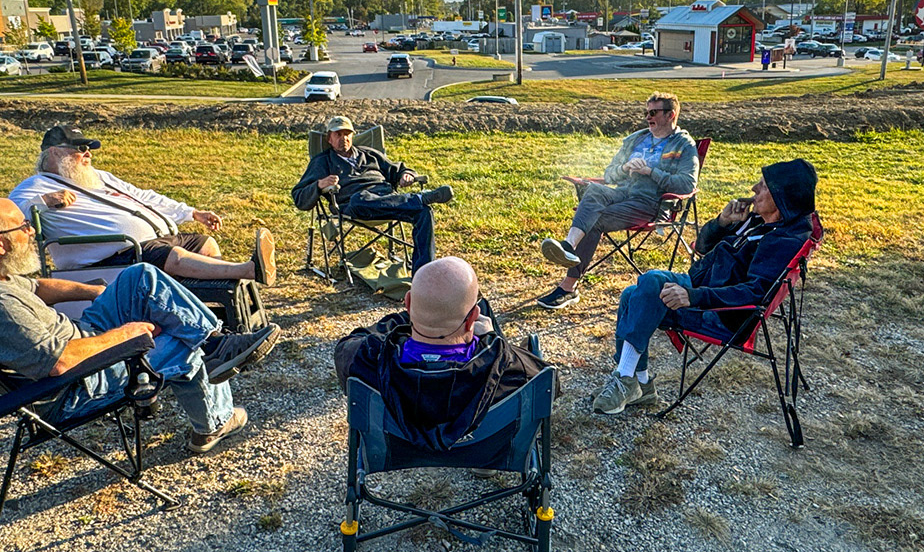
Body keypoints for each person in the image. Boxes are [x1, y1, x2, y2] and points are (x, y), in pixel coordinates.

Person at [0, 197, 279, 453]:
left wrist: (95, 291)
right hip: (75, 385)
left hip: (80, 339)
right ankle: (213, 422)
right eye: (22, 227)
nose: (30, 231)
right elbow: (59, 362)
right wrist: (126, 334)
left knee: (139, 276)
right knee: (177, 340)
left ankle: (215, 342)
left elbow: (38, 287)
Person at [592, 159, 818, 415]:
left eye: (764, 186)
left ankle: (626, 379)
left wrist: (693, 296)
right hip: (701, 288)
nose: (754, 189)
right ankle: (640, 384)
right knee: (632, 294)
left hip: (720, 313)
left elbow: (755, 293)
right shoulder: (758, 222)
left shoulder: (781, 240)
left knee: (648, 284)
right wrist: (723, 222)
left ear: (782, 196)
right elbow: (701, 247)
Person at [12, 126, 276, 285]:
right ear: (55, 152)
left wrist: (191, 213)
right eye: (80, 148)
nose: (88, 154)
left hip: (151, 242)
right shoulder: (35, 186)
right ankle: (248, 270)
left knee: (204, 244)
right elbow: (9, 215)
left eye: (89, 148)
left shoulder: (99, 177)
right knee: (167, 256)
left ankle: (219, 294)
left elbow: (144, 195)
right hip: (112, 256)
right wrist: (42, 202)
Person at [332, 257, 548, 451]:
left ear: (407, 303)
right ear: (473, 317)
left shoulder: (370, 358)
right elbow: (549, 383)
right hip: (481, 447)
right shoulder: (506, 367)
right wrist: (494, 342)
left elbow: (347, 345)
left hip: (397, 450)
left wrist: (410, 317)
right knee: (481, 304)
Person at [534, 92, 698, 310]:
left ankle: (567, 288)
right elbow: (610, 173)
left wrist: (651, 172)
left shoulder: (684, 145)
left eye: (653, 112)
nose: (648, 117)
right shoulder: (636, 139)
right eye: (646, 112)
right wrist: (624, 168)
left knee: (595, 221)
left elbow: (687, 184)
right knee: (594, 191)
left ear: (671, 115)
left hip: (651, 203)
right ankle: (568, 246)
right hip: (623, 193)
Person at [291, 115, 455, 268]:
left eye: (347, 134)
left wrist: (407, 174)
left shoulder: (369, 154)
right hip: (354, 205)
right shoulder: (322, 161)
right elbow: (299, 196)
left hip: (387, 199)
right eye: (338, 134)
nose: (344, 139)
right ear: (329, 139)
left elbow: (397, 169)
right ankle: (418, 198)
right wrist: (319, 184)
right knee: (360, 199)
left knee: (424, 212)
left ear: (353, 136)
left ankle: (423, 272)